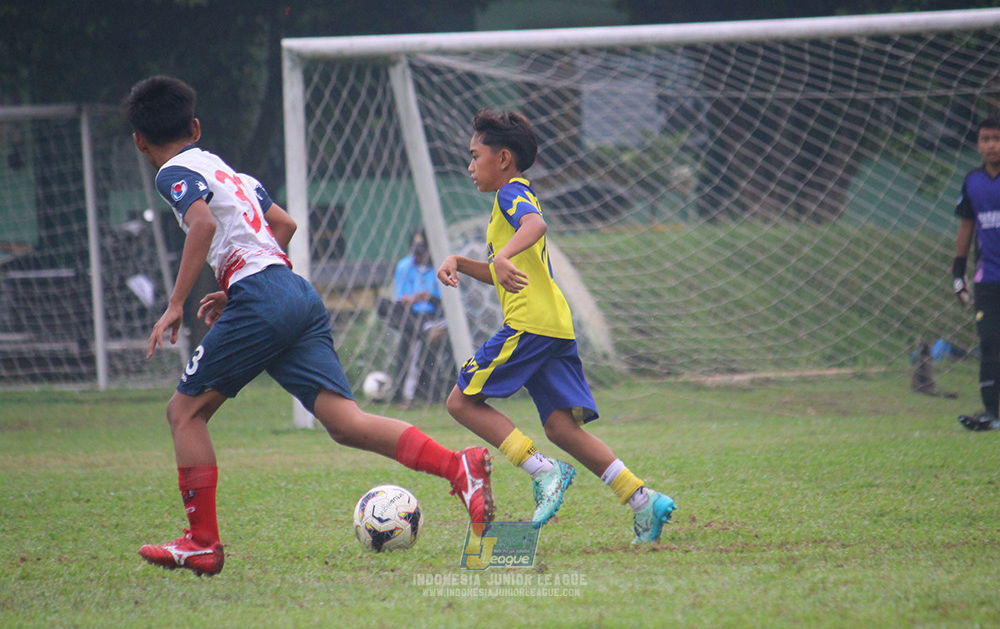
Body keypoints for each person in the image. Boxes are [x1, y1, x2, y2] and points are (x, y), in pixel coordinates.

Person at [124, 75, 493, 577]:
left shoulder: (172, 172)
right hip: (295, 292)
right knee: (346, 424)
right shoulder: (228, 171)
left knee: (184, 414)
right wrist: (237, 284)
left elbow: (204, 226)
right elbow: (285, 226)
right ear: (195, 126)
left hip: (264, 297)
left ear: (140, 141)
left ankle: (201, 543)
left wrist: (175, 304)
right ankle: (459, 467)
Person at [435, 109, 676, 543]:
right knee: (562, 428)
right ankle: (643, 500)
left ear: (503, 158)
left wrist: (504, 255)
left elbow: (536, 224)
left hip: (530, 324)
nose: (470, 167)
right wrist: (463, 262)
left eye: (474, 156)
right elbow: (498, 270)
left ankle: (543, 470)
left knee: (460, 403)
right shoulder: (507, 202)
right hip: (555, 326)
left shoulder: (512, 196)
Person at [953, 114, 1000, 432]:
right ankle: (992, 412)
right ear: (978, 144)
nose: (991, 145)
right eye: (985, 139)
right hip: (988, 280)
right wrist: (958, 272)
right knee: (989, 342)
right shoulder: (972, 181)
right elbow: (966, 226)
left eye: (996, 138)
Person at [390, 228, 447, 408]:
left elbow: (443, 300)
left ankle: (423, 392)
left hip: (433, 314)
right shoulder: (404, 266)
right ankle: (402, 394)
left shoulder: (440, 265)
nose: (418, 256)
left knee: (425, 344)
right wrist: (414, 298)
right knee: (407, 344)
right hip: (411, 315)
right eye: (416, 252)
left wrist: (428, 297)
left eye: (422, 252)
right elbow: (400, 297)